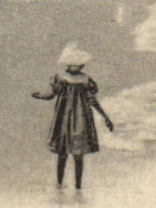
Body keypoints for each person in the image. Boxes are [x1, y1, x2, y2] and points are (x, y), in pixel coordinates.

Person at [31, 45, 114, 190]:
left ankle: (71, 186)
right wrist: (105, 117)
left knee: (69, 154)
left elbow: (52, 95)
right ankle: (70, 186)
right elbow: (91, 100)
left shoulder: (75, 79)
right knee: (71, 154)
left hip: (68, 119)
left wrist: (106, 117)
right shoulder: (79, 79)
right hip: (75, 120)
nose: (78, 66)